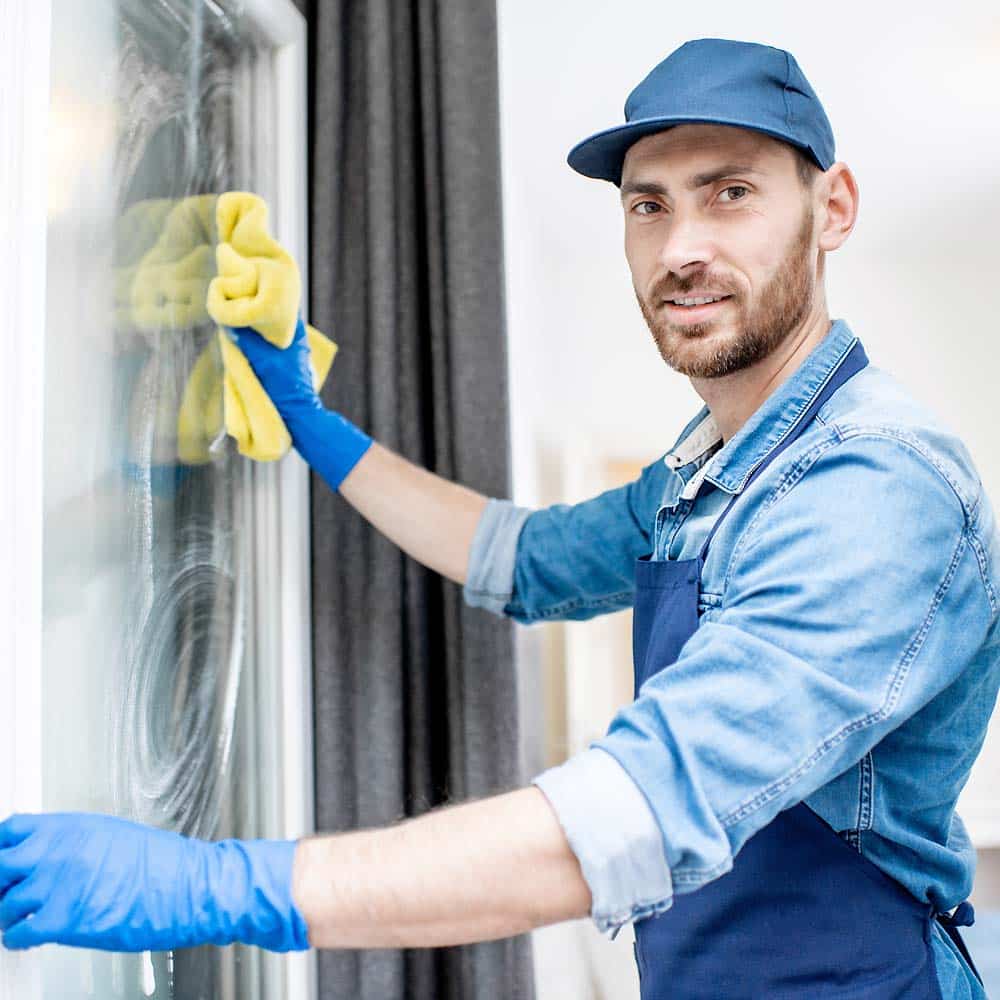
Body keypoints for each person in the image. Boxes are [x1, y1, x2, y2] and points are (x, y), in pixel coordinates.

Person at [1, 37, 994, 999]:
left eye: (730, 193)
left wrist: (215, 886)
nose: (682, 248)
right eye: (649, 204)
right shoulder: (707, 475)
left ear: (834, 208)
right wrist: (312, 425)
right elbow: (514, 555)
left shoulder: (875, 485)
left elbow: (639, 809)